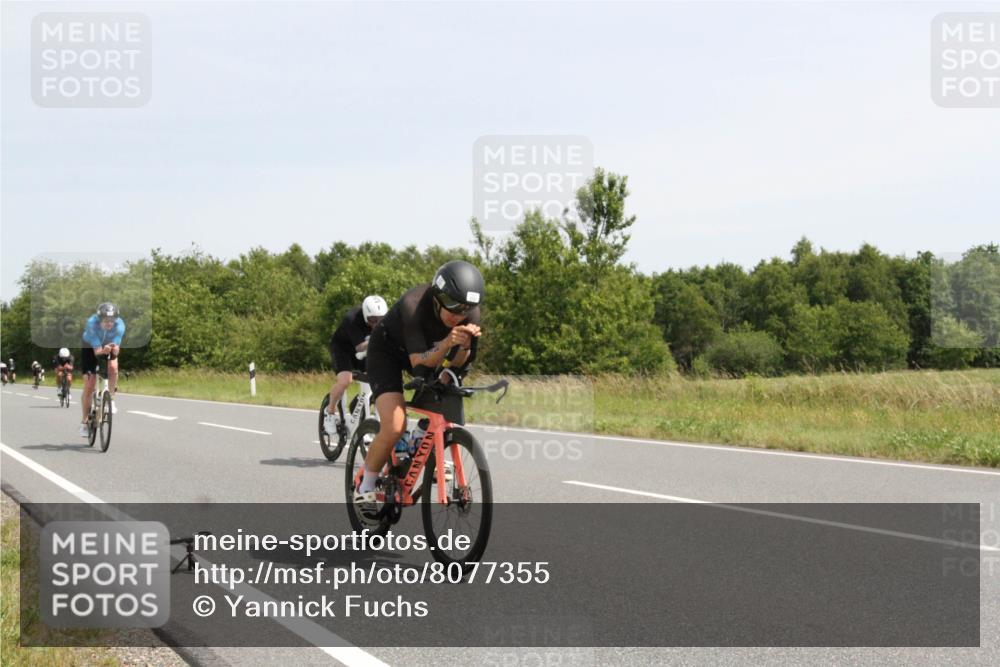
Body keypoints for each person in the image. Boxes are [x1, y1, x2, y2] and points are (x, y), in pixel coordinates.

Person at [353, 260, 483, 520]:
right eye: (454, 308)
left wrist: (464, 349)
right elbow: (418, 363)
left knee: (442, 396)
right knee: (395, 424)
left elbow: (458, 362)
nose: (459, 316)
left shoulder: (470, 314)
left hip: (429, 355)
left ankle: (419, 437)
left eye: (466, 310)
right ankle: (365, 486)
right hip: (388, 352)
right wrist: (448, 342)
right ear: (438, 298)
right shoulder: (414, 304)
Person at [324, 295, 388, 436]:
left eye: (380, 320)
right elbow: (359, 347)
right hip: (343, 349)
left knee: (377, 378)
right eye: (372, 320)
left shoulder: (386, 320)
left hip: (365, 351)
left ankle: (358, 406)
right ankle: (329, 411)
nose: (376, 324)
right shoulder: (352, 318)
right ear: (365, 315)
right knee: (345, 380)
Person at [79, 303, 125, 437]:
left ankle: (111, 398)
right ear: (99, 319)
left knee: (113, 368)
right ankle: (84, 421)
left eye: (112, 320)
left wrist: (115, 350)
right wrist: (102, 351)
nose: (109, 323)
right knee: (89, 384)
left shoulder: (120, 326)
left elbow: (116, 348)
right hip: (90, 346)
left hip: (108, 344)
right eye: (106, 320)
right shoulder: (91, 324)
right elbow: (97, 352)